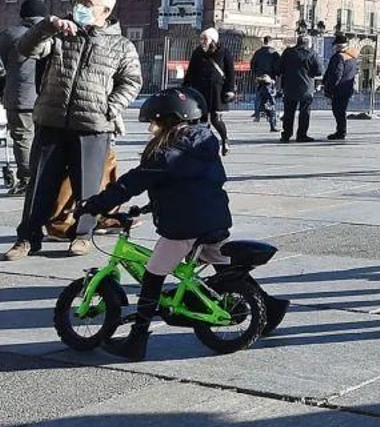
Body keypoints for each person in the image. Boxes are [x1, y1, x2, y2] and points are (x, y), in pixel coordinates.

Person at [77, 88, 231, 361]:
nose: (151, 128)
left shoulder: (166, 153)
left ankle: (136, 341)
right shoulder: (204, 141)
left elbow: (131, 183)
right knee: (229, 271)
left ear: (170, 121)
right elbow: (188, 187)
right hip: (212, 218)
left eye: (155, 122)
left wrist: (95, 204)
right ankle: (268, 309)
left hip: (183, 228)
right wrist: (150, 207)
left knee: (153, 276)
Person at [5, 0, 141, 261]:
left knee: (88, 187)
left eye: (87, 3)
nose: (80, 6)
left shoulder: (121, 45)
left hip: (92, 125)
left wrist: (110, 107)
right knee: (39, 185)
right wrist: (47, 26)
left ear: (106, 11)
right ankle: (27, 238)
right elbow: (26, 48)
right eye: (78, 1)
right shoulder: (60, 34)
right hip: (52, 120)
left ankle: (82, 235)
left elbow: (132, 81)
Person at [0, 0, 48, 194]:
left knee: (22, 137)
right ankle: (47, 178)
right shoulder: (55, 34)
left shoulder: (10, 35)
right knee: (46, 138)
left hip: (19, 95)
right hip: (50, 96)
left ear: (22, 15)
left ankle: (28, 179)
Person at [184, 28, 236, 156]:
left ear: (213, 39)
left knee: (215, 119)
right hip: (200, 89)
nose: (202, 41)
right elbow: (191, 71)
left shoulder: (223, 52)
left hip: (216, 90)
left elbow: (230, 73)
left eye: (205, 39)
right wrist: (185, 86)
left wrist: (230, 90)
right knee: (199, 119)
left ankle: (224, 140)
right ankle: (202, 144)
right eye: (201, 38)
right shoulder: (197, 52)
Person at [278, 34, 322, 143]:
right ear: (308, 43)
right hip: (306, 87)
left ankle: (286, 135)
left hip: (289, 86)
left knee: (288, 112)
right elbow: (319, 71)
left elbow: (279, 68)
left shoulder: (288, 52)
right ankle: (301, 135)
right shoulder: (312, 54)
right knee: (304, 112)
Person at [321, 38, 359, 140]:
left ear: (337, 46)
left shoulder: (339, 57)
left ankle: (341, 132)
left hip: (338, 89)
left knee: (338, 111)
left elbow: (336, 74)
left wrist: (328, 89)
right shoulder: (352, 57)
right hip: (347, 88)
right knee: (342, 111)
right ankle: (341, 131)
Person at [248, 37, 281, 128]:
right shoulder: (274, 53)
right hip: (270, 79)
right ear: (270, 42)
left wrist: (256, 73)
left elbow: (252, 64)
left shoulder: (258, 52)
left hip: (259, 78)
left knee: (259, 97)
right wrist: (275, 75)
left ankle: (258, 114)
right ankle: (272, 122)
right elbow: (278, 66)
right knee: (270, 100)